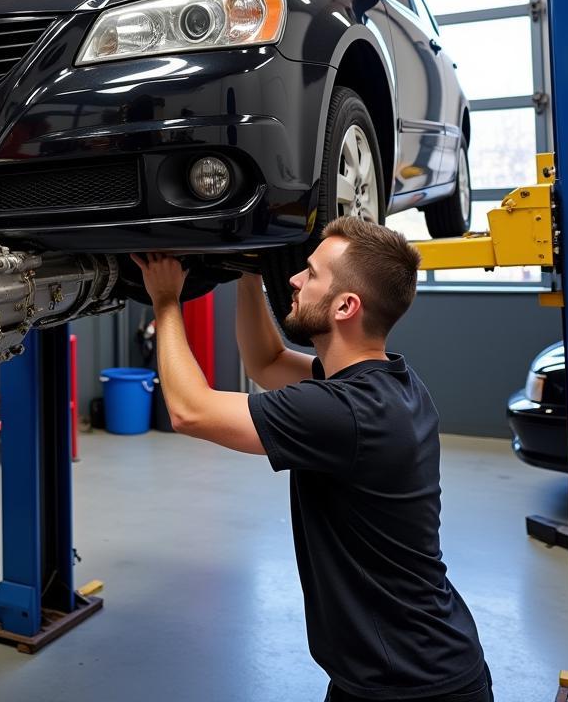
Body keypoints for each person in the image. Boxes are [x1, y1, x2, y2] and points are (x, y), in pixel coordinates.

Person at [132, 216, 491, 702]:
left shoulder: (346, 413)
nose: (295, 280)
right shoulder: (388, 383)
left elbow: (189, 410)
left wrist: (167, 301)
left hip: (412, 684)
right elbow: (267, 363)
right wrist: (249, 271)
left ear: (346, 305)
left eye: (312, 274)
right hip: (384, 669)